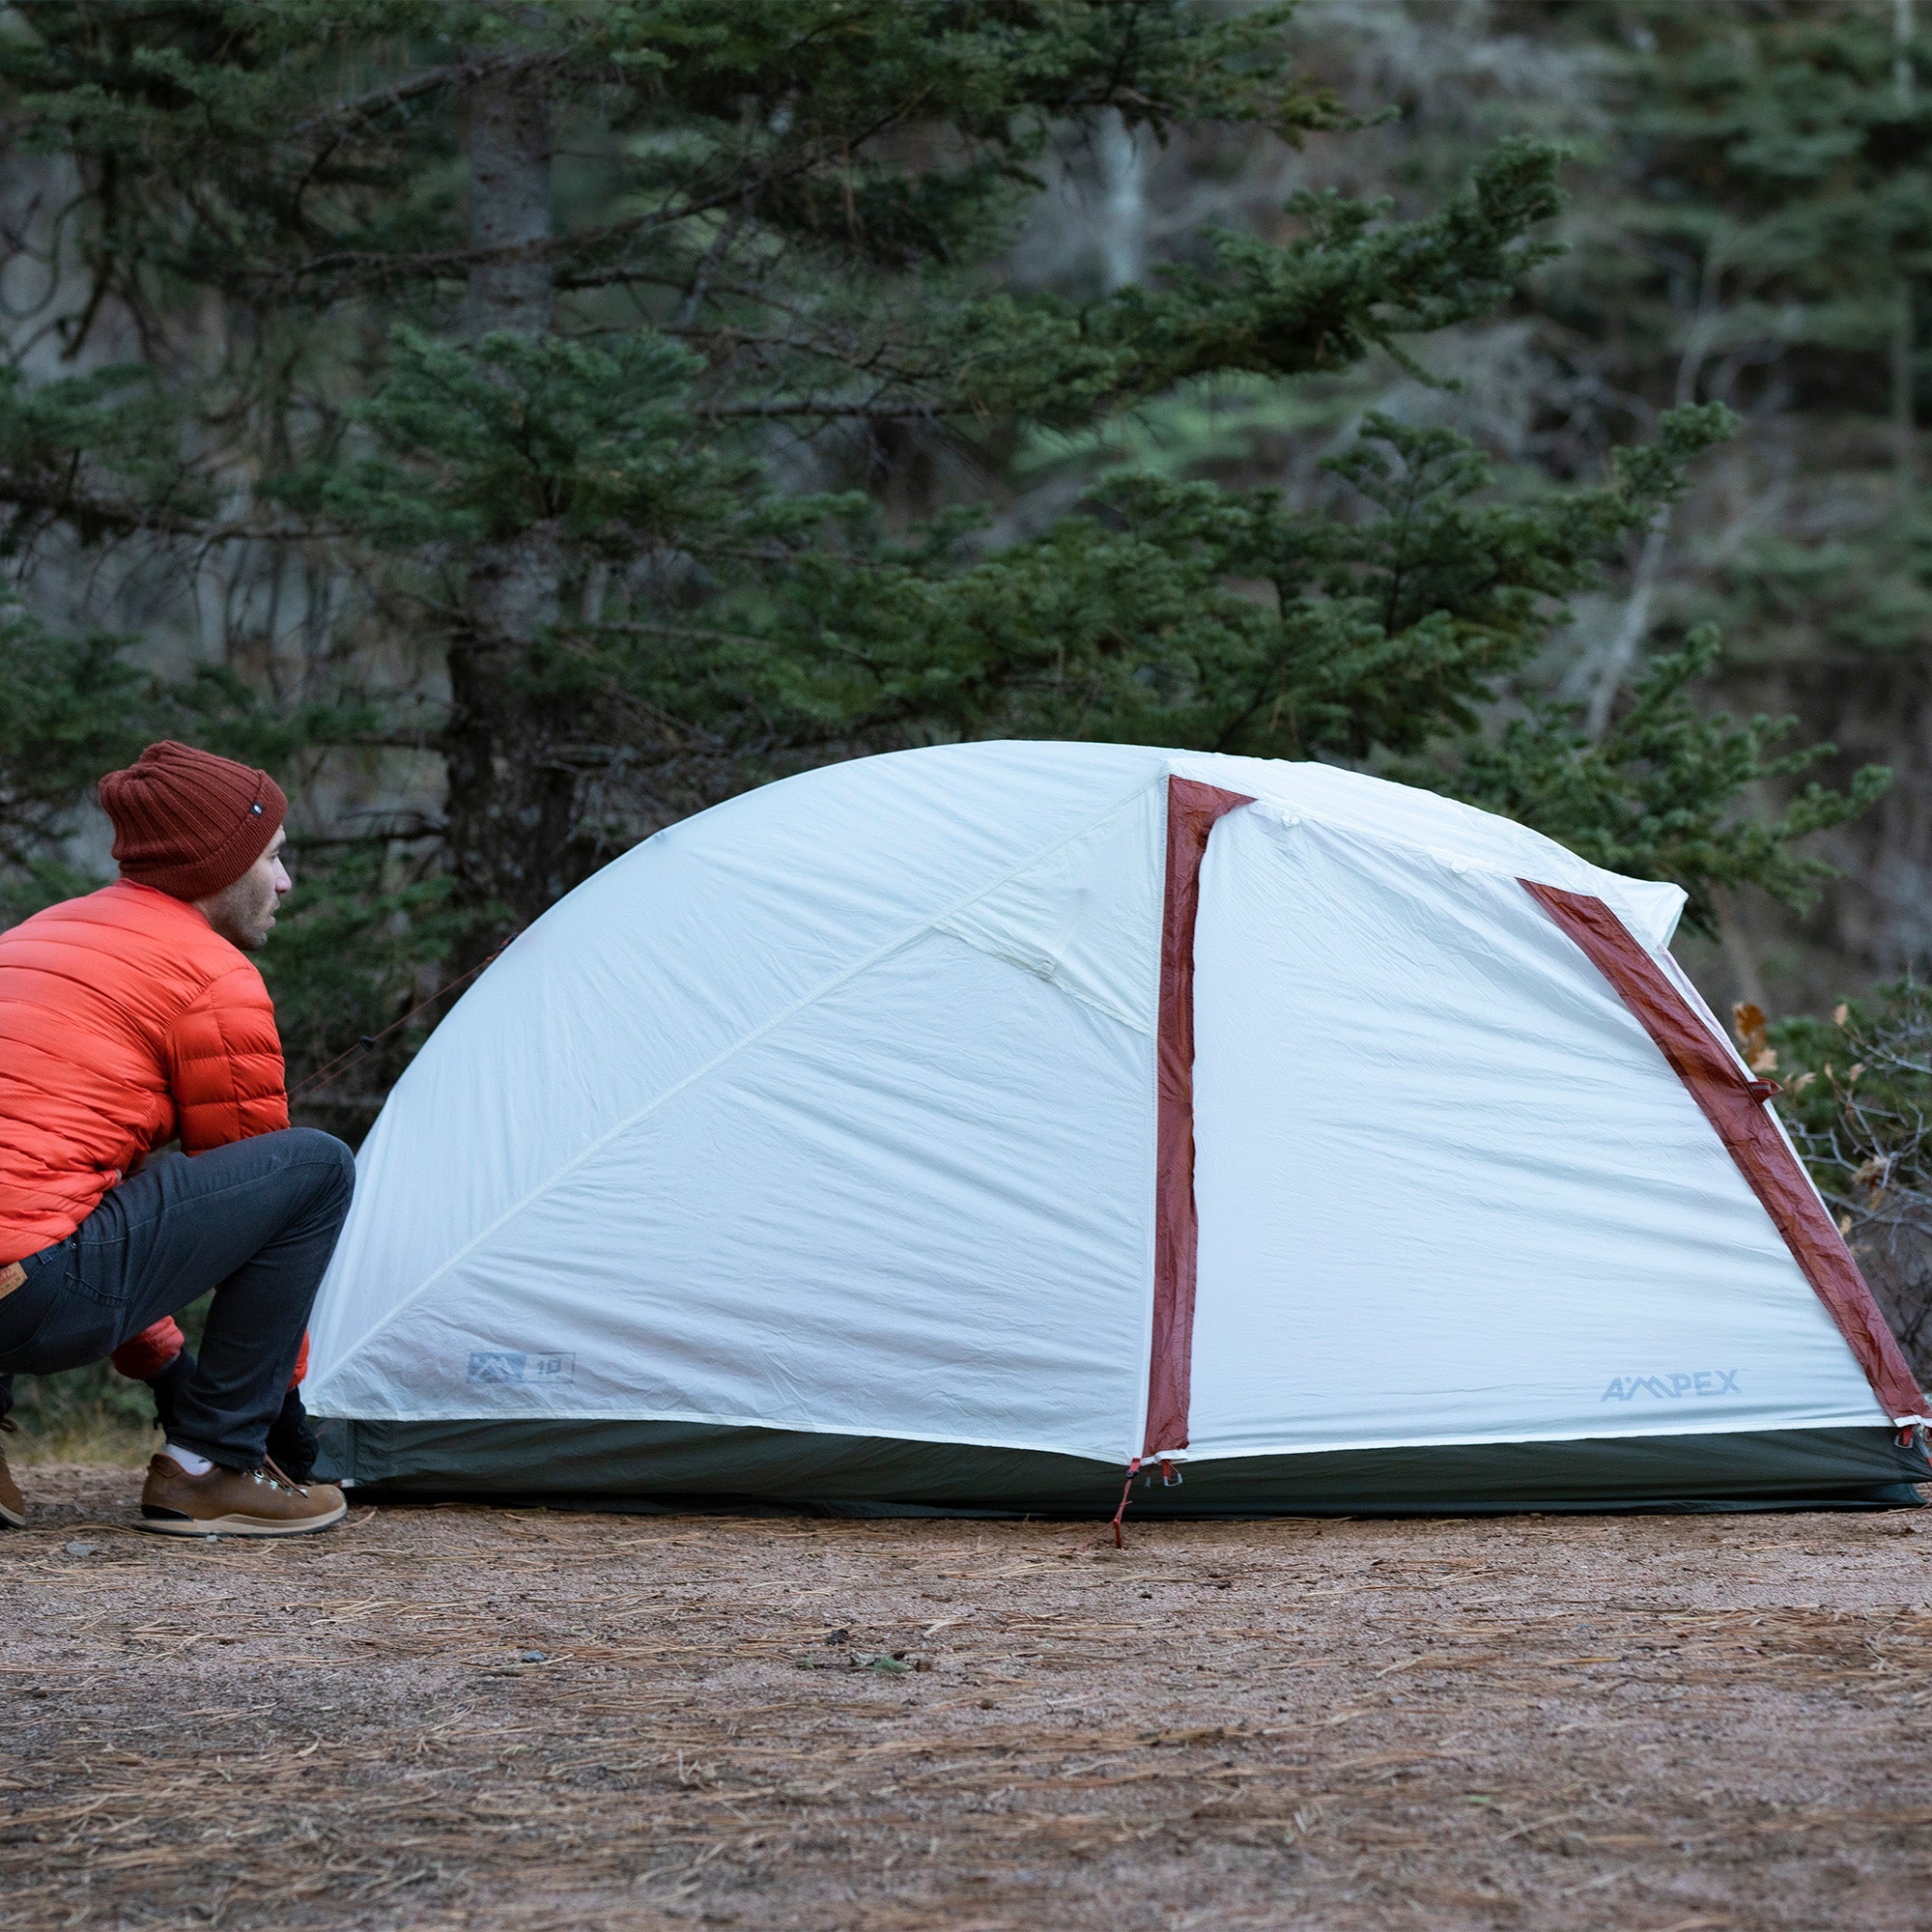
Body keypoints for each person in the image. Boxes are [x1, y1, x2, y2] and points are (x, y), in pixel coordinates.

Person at [0, 741, 353, 1535]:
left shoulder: (32, 940)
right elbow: (255, 1207)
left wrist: (167, 1369)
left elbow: (73, 1198)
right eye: (272, 859)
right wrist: (272, 1419)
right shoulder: (208, 974)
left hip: (17, 1273)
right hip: (24, 1299)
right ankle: (211, 1468)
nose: (285, 882)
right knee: (314, 1169)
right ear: (219, 867)